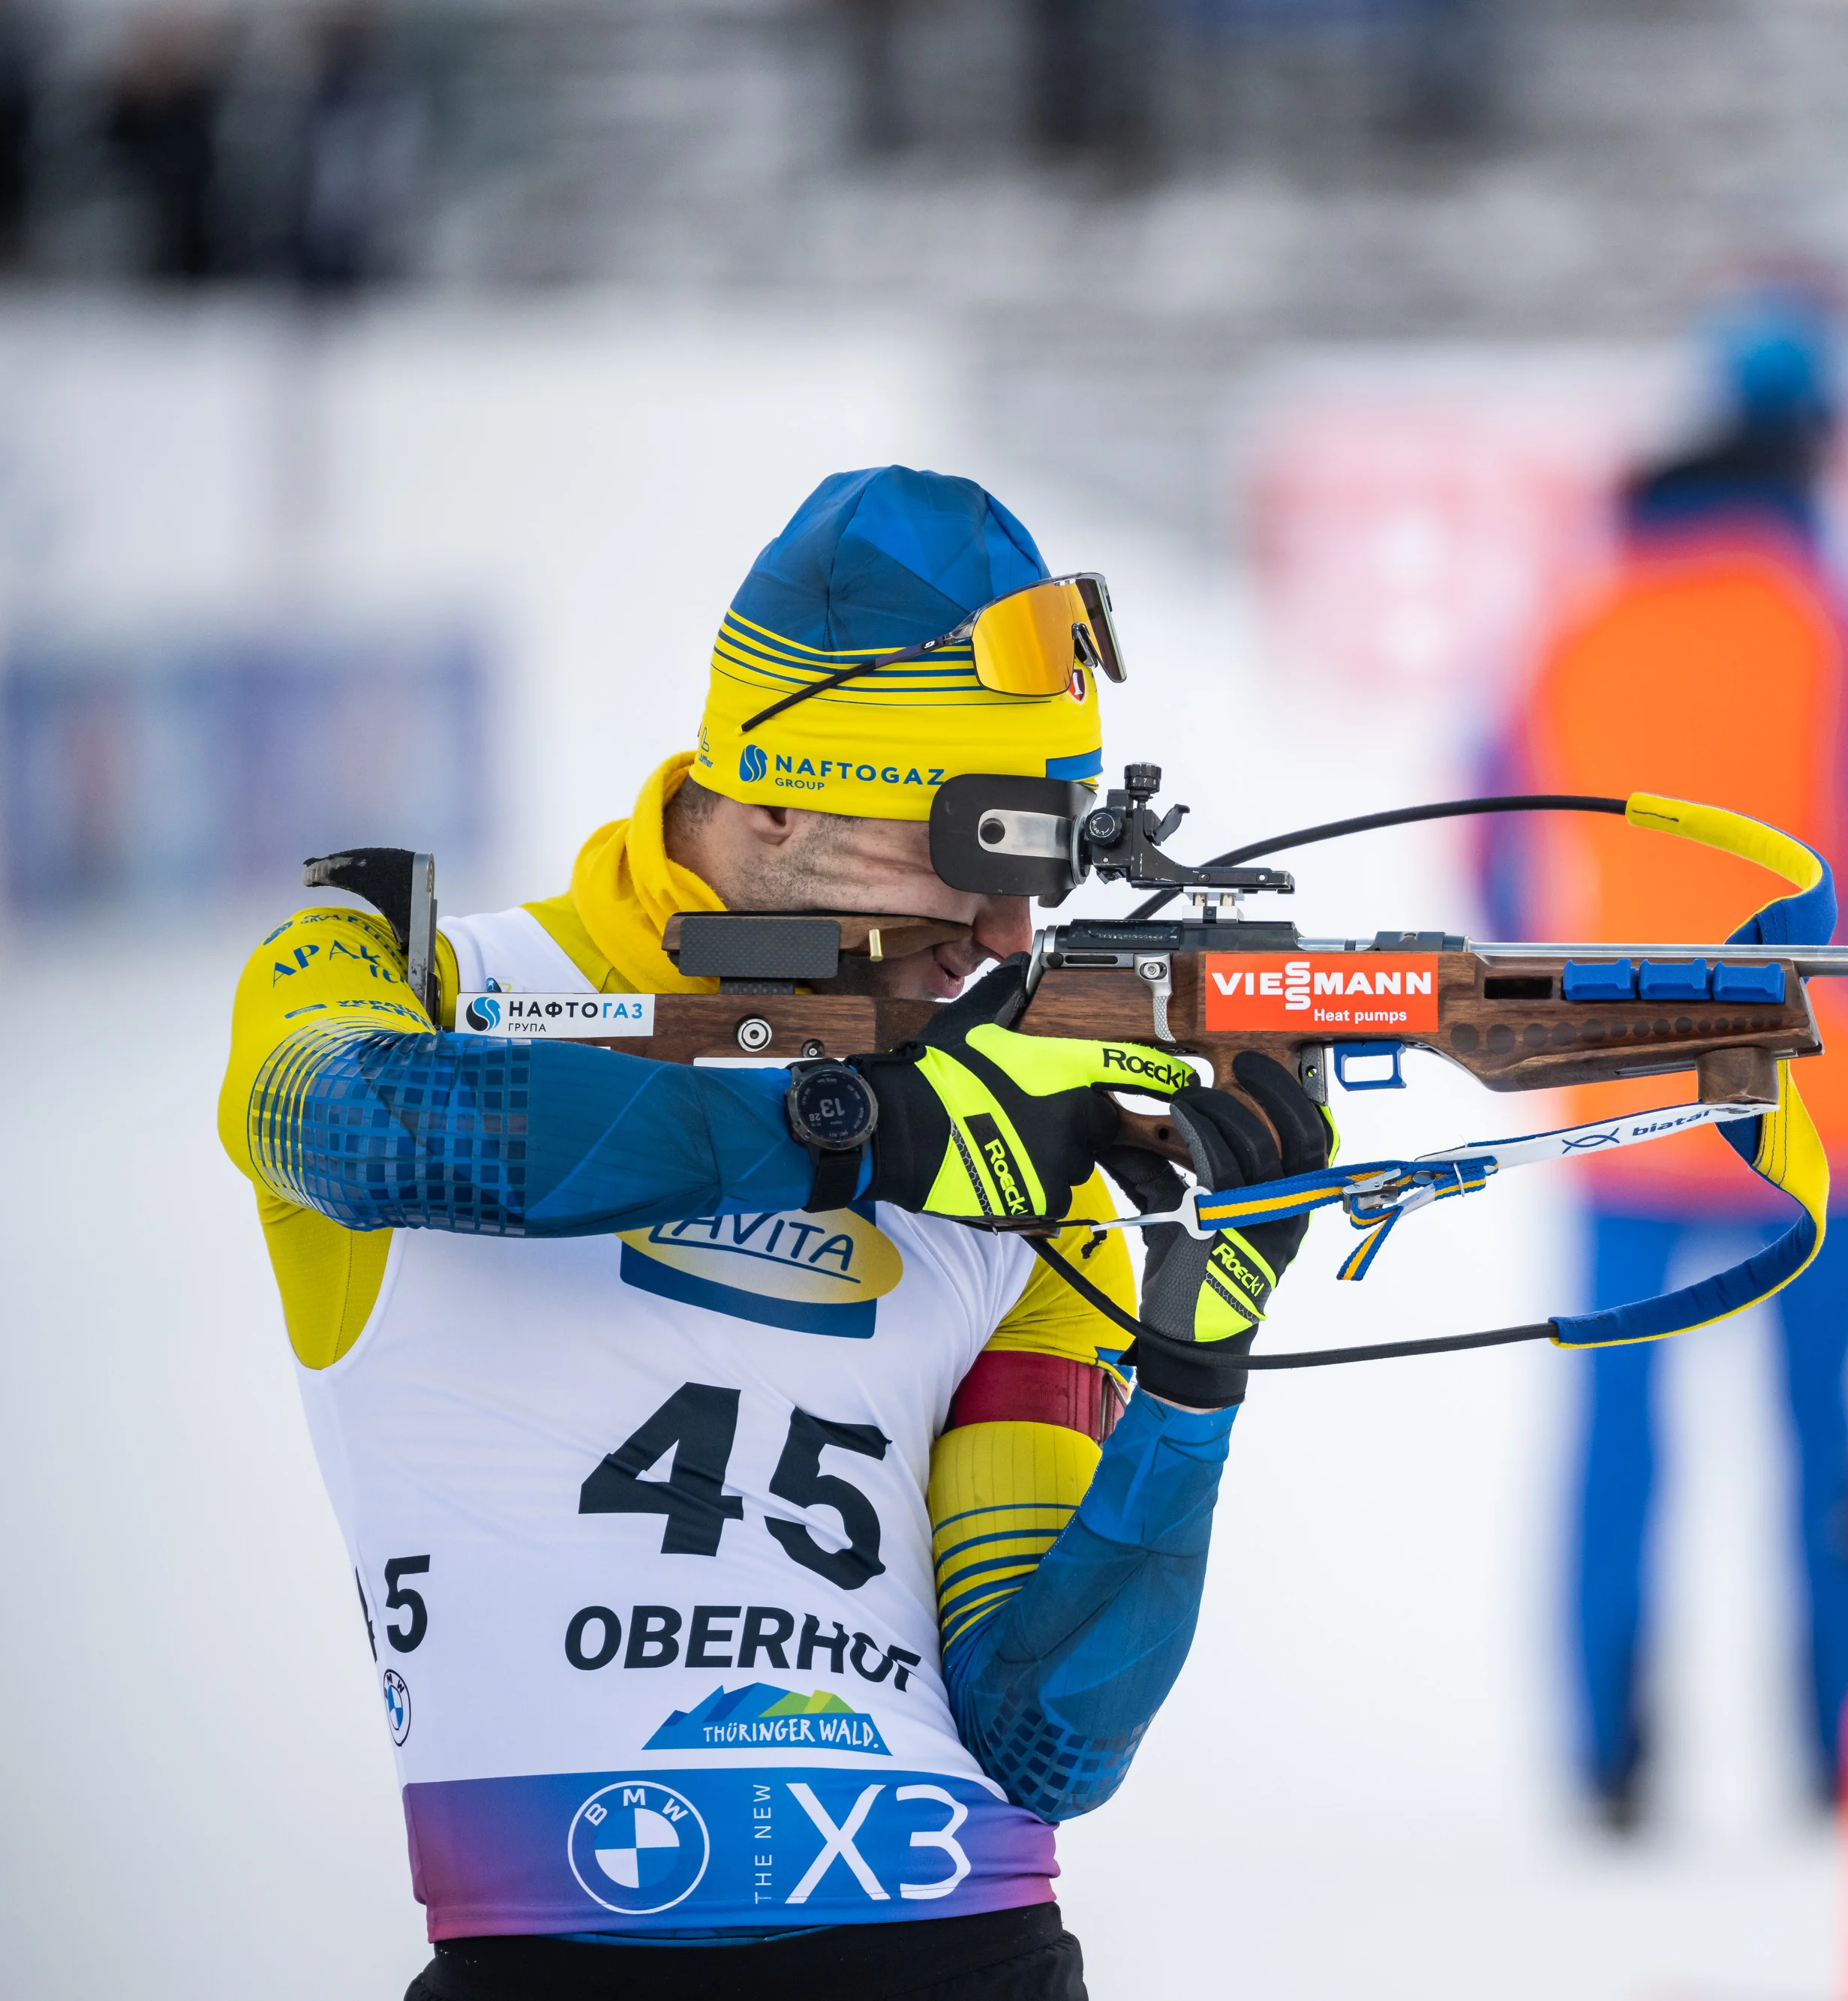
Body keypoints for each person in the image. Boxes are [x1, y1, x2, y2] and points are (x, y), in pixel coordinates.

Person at [218, 466, 1330, 1999]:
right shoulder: (413, 978)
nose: (1009, 934)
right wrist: (858, 1134)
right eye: (974, 841)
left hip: (962, 1951)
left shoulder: (1009, 1150)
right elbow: (352, 1127)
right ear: (774, 797)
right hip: (557, 1959)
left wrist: (1190, 1378)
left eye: (1046, 858)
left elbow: (1041, 1734)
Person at [1480, 284, 1848, 1828]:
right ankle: (1841, 1736)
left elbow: (1494, 842)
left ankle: (1605, 1745)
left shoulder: (1579, 618)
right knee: (1827, 1432)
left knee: (1616, 1433)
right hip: (1809, 1100)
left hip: (1618, 1088)